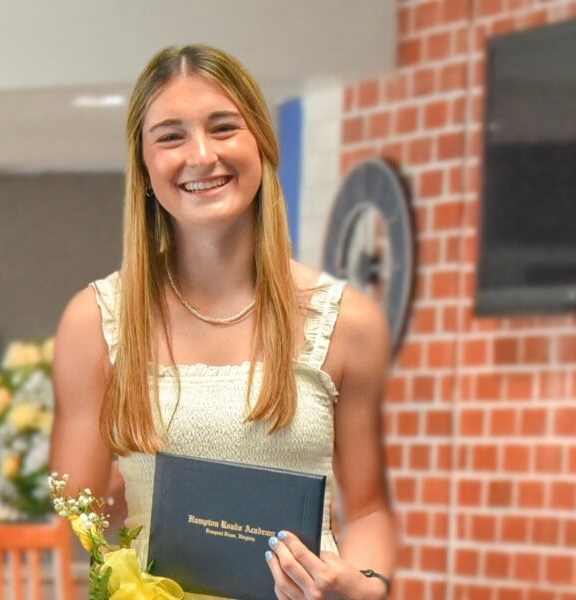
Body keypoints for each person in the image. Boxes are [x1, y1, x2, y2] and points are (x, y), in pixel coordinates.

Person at [49, 44, 396, 600]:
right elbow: (83, 512)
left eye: (224, 127)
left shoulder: (348, 321)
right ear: (143, 167)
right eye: (170, 136)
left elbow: (372, 509)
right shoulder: (94, 321)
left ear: (263, 142)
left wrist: (362, 588)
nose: (202, 155)